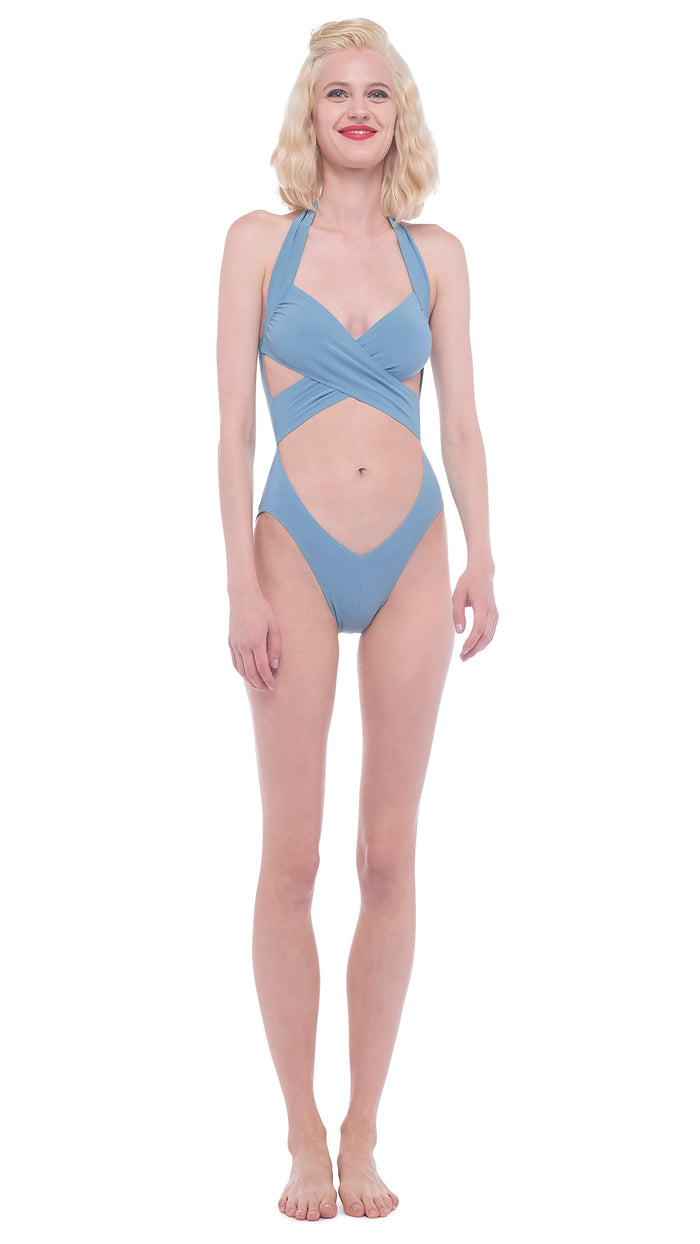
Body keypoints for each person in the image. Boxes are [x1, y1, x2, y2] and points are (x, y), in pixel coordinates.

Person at [216, 17, 498, 1221]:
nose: (358, 110)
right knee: (293, 856)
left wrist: (485, 554)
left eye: (377, 92)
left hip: (413, 554)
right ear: (311, 113)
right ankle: (299, 1132)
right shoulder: (256, 243)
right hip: (289, 544)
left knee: (388, 854)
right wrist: (238, 581)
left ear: (399, 116)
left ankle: (365, 1127)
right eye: (338, 92)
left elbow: (463, 422)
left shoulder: (437, 255)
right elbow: (231, 429)